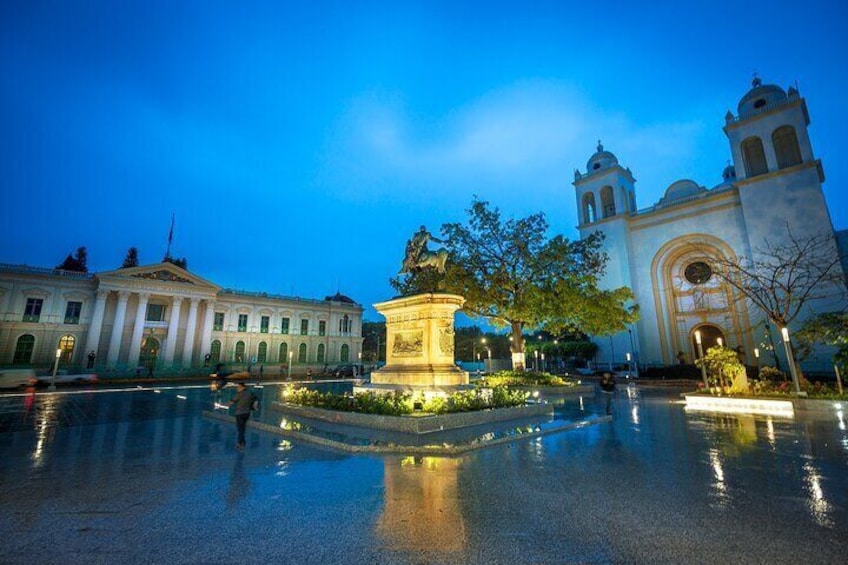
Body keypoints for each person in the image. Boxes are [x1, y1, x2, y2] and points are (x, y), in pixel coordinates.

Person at [228, 382, 257, 451]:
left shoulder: (239, 394)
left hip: (239, 413)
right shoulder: (250, 393)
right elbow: (256, 399)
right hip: (247, 413)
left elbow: (232, 402)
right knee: (243, 428)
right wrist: (254, 406)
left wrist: (224, 404)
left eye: (238, 387)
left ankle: (240, 443)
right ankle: (242, 443)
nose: (237, 388)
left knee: (240, 429)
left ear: (242, 387)